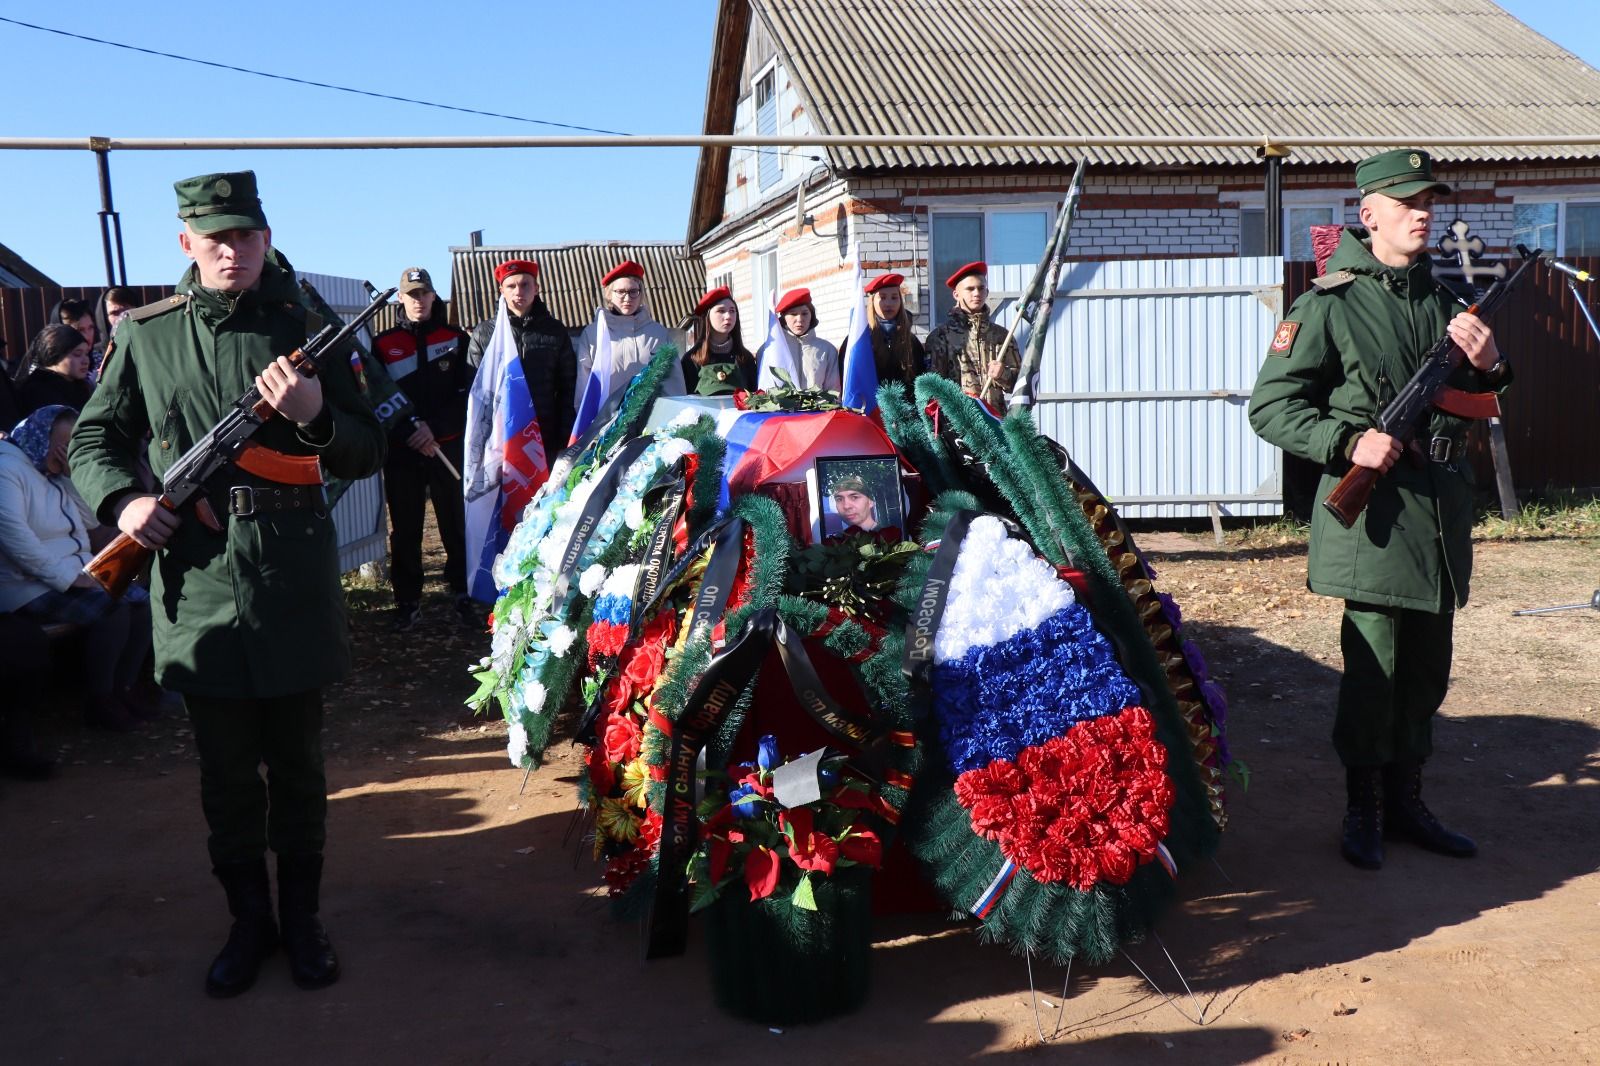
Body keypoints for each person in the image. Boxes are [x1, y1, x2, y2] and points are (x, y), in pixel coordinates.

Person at [69, 170, 387, 997]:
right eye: (213, 235)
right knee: (226, 773)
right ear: (186, 242)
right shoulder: (147, 335)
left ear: (266, 238)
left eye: (244, 234)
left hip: (292, 580)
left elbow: (367, 445)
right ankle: (250, 923)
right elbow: (95, 438)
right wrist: (128, 501)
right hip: (199, 586)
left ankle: (303, 921)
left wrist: (317, 411)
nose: (230, 249)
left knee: (301, 767)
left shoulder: (309, 325)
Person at [1248, 149, 1507, 871]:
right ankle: (1362, 807)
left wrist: (1492, 365)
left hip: (1437, 516)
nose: (1423, 212)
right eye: (1407, 201)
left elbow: (1486, 404)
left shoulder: (1447, 304)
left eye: (1429, 200)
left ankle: (1407, 800)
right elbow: (1270, 408)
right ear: (1369, 214)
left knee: (1427, 671)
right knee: (1375, 672)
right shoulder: (1329, 303)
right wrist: (1344, 441)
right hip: (1373, 522)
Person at [0, 406, 153, 733]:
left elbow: (89, 521)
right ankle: (100, 700)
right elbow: (16, 540)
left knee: (142, 604)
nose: (65, 453)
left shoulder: (49, 470)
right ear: (41, 438)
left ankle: (122, 689)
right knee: (113, 611)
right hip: (27, 583)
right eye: (61, 445)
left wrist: (71, 479)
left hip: (74, 571)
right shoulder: (6, 468)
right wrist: (73, 580)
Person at [372, 267, 474, 630]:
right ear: (401, 298)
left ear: (434, 297)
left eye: (424, 294)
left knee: (455, 525)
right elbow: (376, 398)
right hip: (403, 453)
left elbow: (468, 398)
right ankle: (408, 601)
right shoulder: (382, 345)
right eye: (411, 294)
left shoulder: (455, 338)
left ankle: (463, 595)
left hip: (446, 448)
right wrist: (408, 434)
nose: (418, 300)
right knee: (405, 528)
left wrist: (436, 429)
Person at [467, 259, 577, 450]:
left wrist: (564, 436)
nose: (518, 291)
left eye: (525, 284)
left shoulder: (555, 331)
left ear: (536, 288)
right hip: (499, 440)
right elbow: (475, 390)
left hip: (545, 438)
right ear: (502, 290)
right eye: (511, 286)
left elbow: (569, 388)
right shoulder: (484, 333)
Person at [573, 260, 686, 416]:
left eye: (634, 291)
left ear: (641, 294)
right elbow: (583, 386)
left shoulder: (658, 333)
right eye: (620, 292)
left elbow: (673, 383)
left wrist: (672, 419)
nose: (627, 298)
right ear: (609, 295)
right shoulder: (593, 335)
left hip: (651, 423)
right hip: (605, 426)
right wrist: (586, 423)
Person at [926, 261, 1020, 412]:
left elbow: (1021, 385)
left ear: (987, 292)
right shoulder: (940, 337)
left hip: (995, 419)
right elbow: (932, 389)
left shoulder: (1002, 336)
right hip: (959, 423)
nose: (977, 293)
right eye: (970, 289)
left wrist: (1003, 374)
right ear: (956, 294)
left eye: (981, 288)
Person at [840, 273, 927, 399]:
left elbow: (920, 381)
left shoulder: (911, 341)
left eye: (894, 297)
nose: (889, 303)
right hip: (868, 412)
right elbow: (847, 381)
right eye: (883, 297)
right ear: (873, 301)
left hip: (904, 414)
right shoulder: (858, 340)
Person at [757, 287, 840, 393]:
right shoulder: (767, 350)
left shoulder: (827, 350)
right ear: (783, 317)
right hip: (781, 409)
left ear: (812, 315)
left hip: (818, 409)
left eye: (805, 313)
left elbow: (833, 391)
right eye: (793, 314)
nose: (799, 319)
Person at [681, 286, 757, 395]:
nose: (728, 316)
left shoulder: (745, 358)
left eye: (732, 311)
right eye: (721, 311)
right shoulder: (691, 359)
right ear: (707, 316)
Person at [16, 323, 94, 416]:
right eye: (77, 354)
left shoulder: (81, 387)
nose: (85, 361)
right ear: (54, 354)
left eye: (86, 354)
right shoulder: (38, 392)